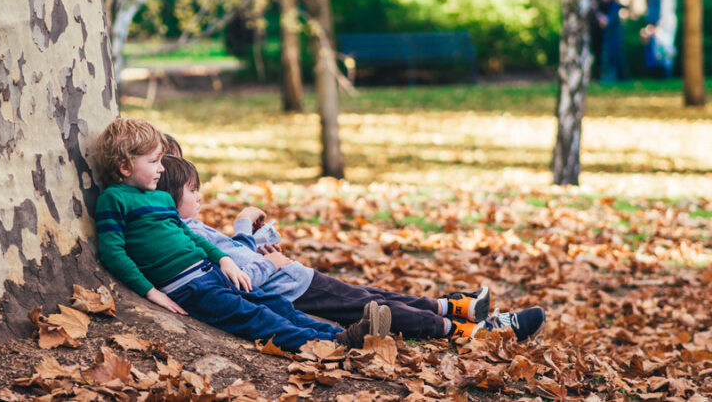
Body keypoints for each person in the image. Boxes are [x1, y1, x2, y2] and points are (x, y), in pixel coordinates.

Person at [156, 153, 547, 343]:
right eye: (194, 191)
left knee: (375, 295)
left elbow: (239, 259)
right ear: (170, 197)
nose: (201, 198)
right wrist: (256, 244)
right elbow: (242, 274)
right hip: (291, 289)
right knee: (376, 308)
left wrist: (259, 244)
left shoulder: (187, 226)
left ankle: (454, 305)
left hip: (296, 279)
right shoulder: (184, 233)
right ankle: (471, 332)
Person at [93, 117, 391, 351]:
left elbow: (189, 237)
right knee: (255, 318)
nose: (161, 169)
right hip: (189, 288)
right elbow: (112, 252)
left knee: (274, 304)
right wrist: (150, 291)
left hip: (211, 272)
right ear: (124, 166)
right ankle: (328, 346)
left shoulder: (160, 198)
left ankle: (345, 335)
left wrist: (224, 260)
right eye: (154, 161)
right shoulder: (115, 199)